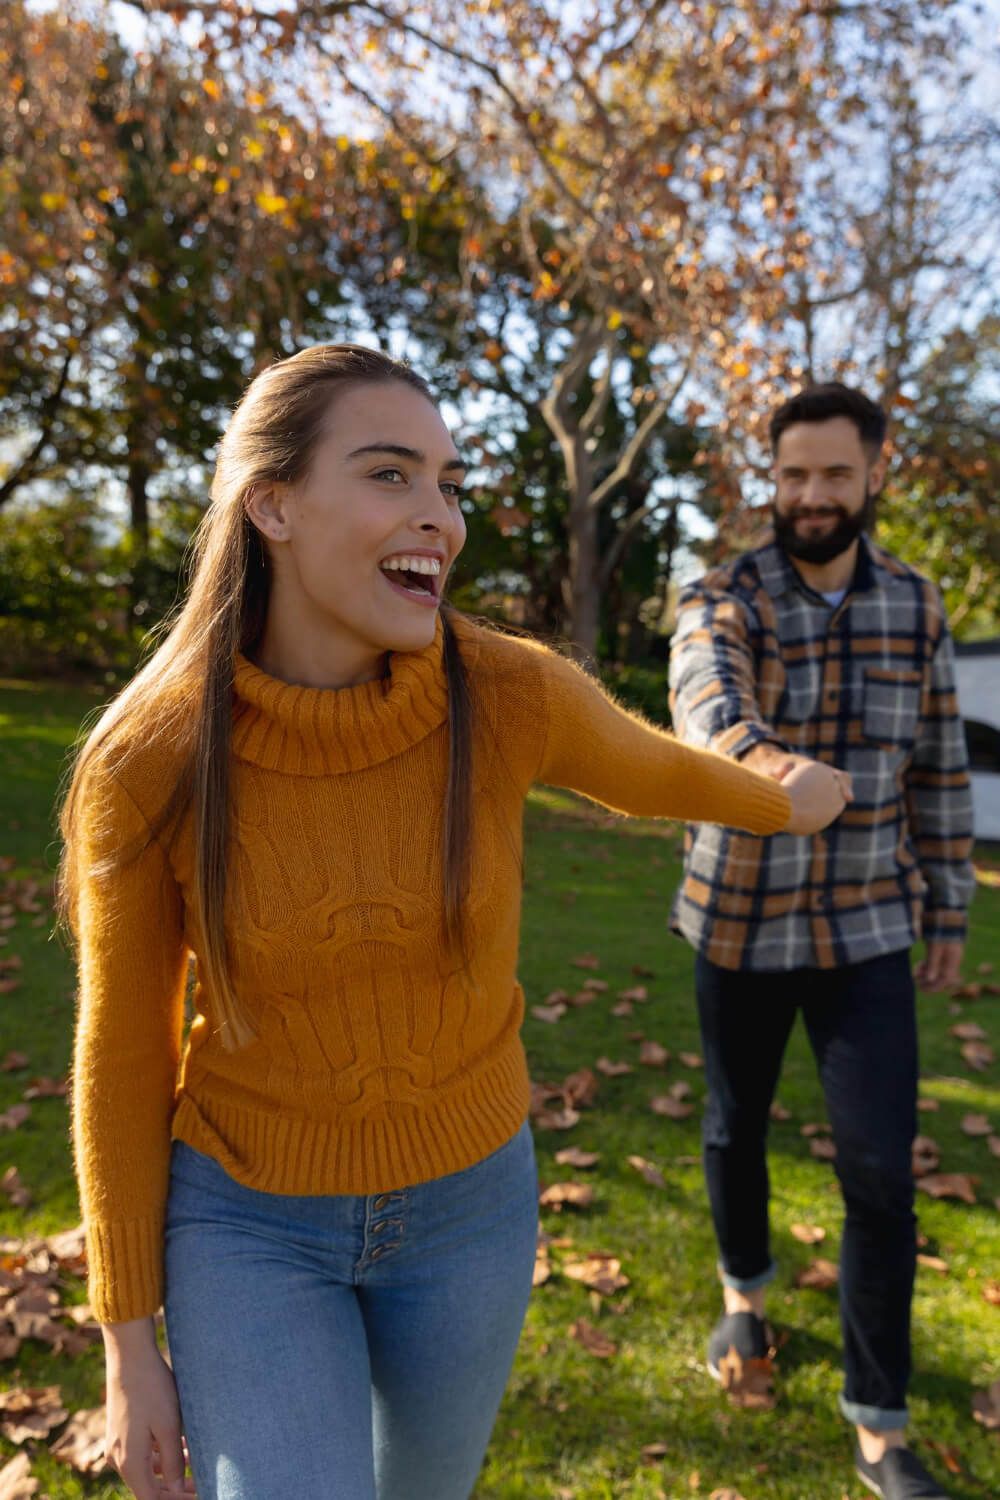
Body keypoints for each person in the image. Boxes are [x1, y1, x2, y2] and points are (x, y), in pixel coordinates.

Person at [56, 344, 846, 1500]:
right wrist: (128, 1340)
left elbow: (647, 772)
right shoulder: (152, 760)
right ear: (270, 504)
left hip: (467, 1207)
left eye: (448, 484)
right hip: (247, 1225)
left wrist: (783, 799)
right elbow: (121, 1054)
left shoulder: (502, 690)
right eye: (390, 476)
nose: (442, 518)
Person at [668, 382, 976, 1500]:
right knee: (732, 1124)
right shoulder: (722, 593)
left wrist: (948, 910)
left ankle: (876, 1422)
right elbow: (702, 692)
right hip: (739, 920)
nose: (809, 496)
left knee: (879, 1174)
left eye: (833, 475)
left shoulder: (917, 604)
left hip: (868, 927)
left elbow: (940, 770)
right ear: (773, 478)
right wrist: (761, 765)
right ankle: (743, 1299)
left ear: (873, 475)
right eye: (792, 475)